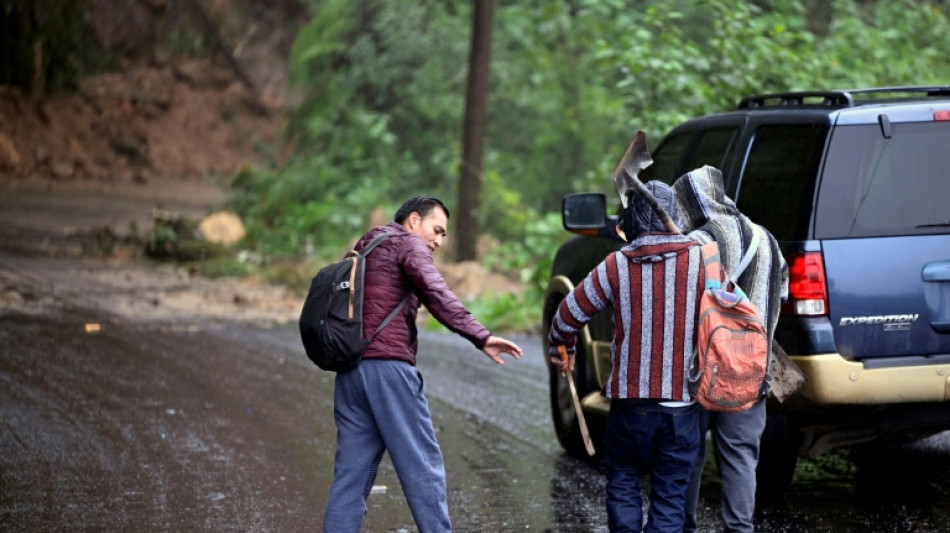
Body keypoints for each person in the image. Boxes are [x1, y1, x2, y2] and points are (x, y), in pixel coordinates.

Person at [322, 197, 524, 533]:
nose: (439, 241)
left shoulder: (366, 245)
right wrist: (481, 336)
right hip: (388, 371)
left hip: (351, 372)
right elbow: (436, 291)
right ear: (414, 220)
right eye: (437, 230)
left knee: (350, 479)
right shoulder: (408, 244)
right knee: (422, 467)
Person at [548, 181, 705, 533]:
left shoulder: (617, 264)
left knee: (623, 480)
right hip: (681, 407)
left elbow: (567, 315)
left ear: (631, 220)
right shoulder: (702, 262)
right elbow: (732, 313)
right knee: (669, 496)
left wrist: (564, 349)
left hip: (630, 406)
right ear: (674, 217)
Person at [673, 166, 789, 533]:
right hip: (752, 369)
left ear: (692, 201)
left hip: (701, 369)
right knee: (741, 457)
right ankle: (740, 529)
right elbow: (782, 292)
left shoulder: (696, 242)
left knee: (689, 454)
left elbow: (681, 301)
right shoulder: (767, 239)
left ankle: (686, 527)